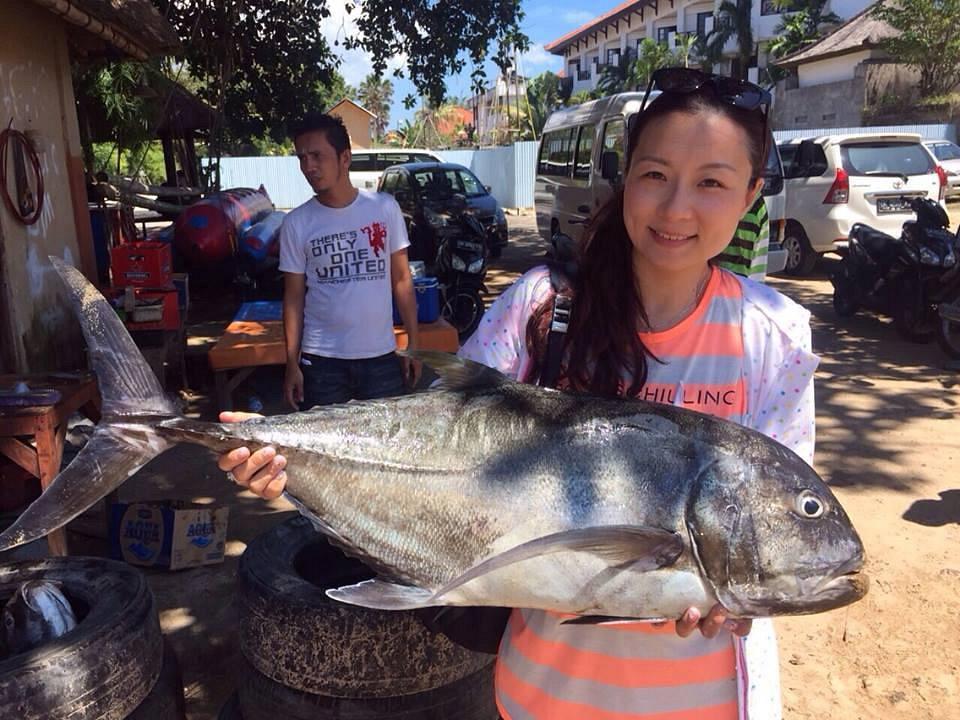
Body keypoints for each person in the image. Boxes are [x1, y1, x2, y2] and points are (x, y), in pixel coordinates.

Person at [218, 68, 817, 719]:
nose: (676, 208)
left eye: (711, 183)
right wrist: (293, 460)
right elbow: (436, 442)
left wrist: (740, 601)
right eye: (655, 174)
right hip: (543, 695)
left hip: (710, 702)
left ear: (751, 193)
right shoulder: (544, 305)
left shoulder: (776, 338)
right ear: (625, 176)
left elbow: (765, 524)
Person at [278, 112, 421, 411]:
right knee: (323, 441)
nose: (308, 167)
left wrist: (414, 345)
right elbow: (293, 298)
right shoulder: (296, 223)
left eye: (317, 156)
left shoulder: (384, 208)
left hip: (381, 356)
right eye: (302, 158)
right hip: (321, 360)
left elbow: (401, 279)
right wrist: (292, 363)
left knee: (386, 436)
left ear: (345, 158)